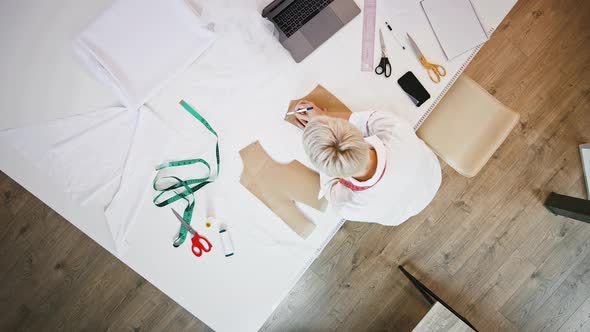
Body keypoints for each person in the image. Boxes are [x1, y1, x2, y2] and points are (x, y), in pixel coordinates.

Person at [294, 100, 441, 226]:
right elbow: (362, 119)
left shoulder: (347, 205)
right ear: (356, 132)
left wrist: (318, 125)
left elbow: (329, 185)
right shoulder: (395, 128)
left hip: (402, 211)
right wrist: (324, 117)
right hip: (431, 176)